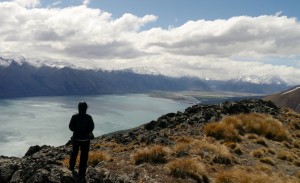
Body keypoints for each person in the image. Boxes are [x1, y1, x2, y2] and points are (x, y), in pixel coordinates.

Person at [69, 102, 94, 179]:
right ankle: (82, 173)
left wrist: (77, 130)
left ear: (78, 108)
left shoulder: (74, 117)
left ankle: (71, 167)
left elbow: (71, 127)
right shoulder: (89, 117)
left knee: (74, 152)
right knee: (84, 155)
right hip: (86, 140)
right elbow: (91, 127)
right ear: (86, 108)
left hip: (76, 138)